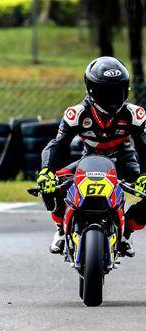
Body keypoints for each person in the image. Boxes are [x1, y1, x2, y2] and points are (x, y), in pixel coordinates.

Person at [37, 56, 146, 256]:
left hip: (124, 161)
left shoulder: (135, 114)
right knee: (49, 184)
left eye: (118, 90)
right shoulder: (77, 113)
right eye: (106, 91)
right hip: (88, 161)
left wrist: (144, 175)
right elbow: (57, 145)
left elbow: (144, 147)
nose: (113, 97)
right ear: (91, 90)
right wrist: (46, 171)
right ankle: (61, 229)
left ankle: (126, 233)